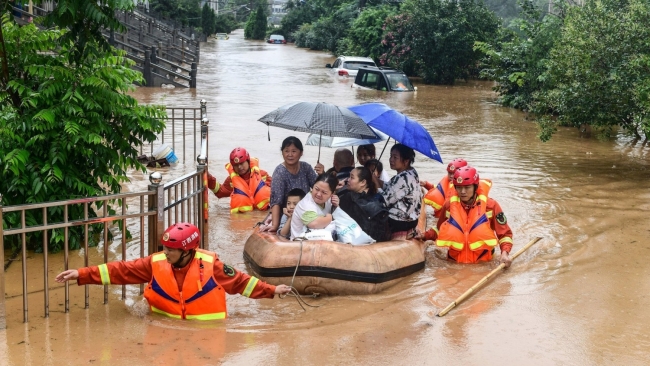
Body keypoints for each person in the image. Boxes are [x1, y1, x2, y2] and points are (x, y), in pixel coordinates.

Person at [55, 223, 291, 320]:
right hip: (161, 322)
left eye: (171, 250)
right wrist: (82, 274)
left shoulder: (212, 265)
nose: (166, 253)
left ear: (187, 251)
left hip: (206, 332)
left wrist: (272, 290)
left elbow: (241, 283)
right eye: (165, 248)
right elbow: (121, 270)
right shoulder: (156, 262)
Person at [421, 167, 513, 267]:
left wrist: (505, 253)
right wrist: (424, 236)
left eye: (467, 187)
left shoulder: (491, 206)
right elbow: (439, 230)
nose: (463, 191)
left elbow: (505, 234)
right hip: (453, 264)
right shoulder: (448, 206)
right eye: (459, 187)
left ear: (475, 187)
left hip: (482, 264)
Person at [259, 136, 318, 232]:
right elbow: (276, 200)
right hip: (287, 214)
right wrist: (275, 225)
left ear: (301, 153)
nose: (290, 155)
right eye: (286, 151)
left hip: (306, 212)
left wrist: (322, 174)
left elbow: (318, 189)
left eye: (294, 151)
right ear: (282, 153)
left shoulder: (306, 168)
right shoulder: (279, 172)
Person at [207, 147, 272, 213]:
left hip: (264, 213)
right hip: (244, 218)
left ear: (248, 161)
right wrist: (209, 178)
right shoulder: (231, 181)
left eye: (241, 163)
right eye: (236, 165)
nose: (239, 167)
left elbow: (277, 189)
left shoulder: (262, 175)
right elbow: (219, 192)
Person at [380, 144, 423, 239]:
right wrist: (376, 181)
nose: (391, 159)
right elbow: (392, 188)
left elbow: (384, 201)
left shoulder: (402, 178)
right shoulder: (412, 172)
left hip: (399, 222)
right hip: (411, 219)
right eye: (391, 156)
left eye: (395, 157)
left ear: (406, 161)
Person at [338, 167, 391, 242]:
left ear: (363, 182)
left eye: (352, 177)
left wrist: (334, 191)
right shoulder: (379, 199)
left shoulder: (348, 197)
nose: (348, 180)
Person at [290, 173, 340, 240]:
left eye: (324, 192)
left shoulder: (330, 200)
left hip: (319, 242)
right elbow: (315, 224)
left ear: (332, 193)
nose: (319, 194)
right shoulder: (306, 204)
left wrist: (336, 206)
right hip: (299, 245)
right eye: (316, 189)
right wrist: (330, 218)